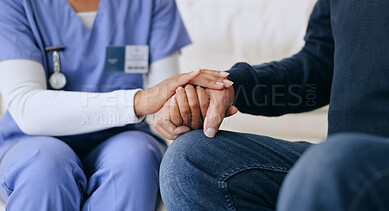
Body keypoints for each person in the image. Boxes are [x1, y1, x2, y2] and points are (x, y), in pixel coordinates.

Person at [157, 0, 389, 210]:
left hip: (350, 163)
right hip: (340, 163)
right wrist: (229, 88)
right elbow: (320, 69)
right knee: (189, 162)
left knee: (329, 166)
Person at [0, 0, 233, 210]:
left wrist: (187, 104)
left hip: (126, 138)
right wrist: (140, 101)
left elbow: (164, 103)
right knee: (46, 168)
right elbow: (27, 108)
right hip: (33, 140)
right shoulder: (14, 4)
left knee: (135, 161)